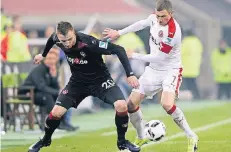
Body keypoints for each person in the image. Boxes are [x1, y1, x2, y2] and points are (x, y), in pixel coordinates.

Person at [28, 21, 140, 152]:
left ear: (74, 32)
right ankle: (45, 140)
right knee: (56, 113)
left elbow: (119, 50)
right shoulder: (57, 38)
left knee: (121, 105)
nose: (67, 43)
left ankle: (122, 142)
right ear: (59, 36)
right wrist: (43, 55)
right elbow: (51, 40)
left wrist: (130, 74)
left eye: (70, 39)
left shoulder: (89, 42)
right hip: (78, 83)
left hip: (101, 81)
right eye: (64, 41)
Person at [103, 0, 198, 151]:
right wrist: (118, 33)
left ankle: (191, 135)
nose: (160, 19)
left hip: (170, 70)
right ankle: (142, 137)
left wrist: (133, 55)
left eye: (164, 16)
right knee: (130, 104)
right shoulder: (154, 18)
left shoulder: (173, 32)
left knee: (167, 104)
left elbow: (159, 57)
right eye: (158, 16)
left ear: (171, 14)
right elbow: (140, 24)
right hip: (153, 70)